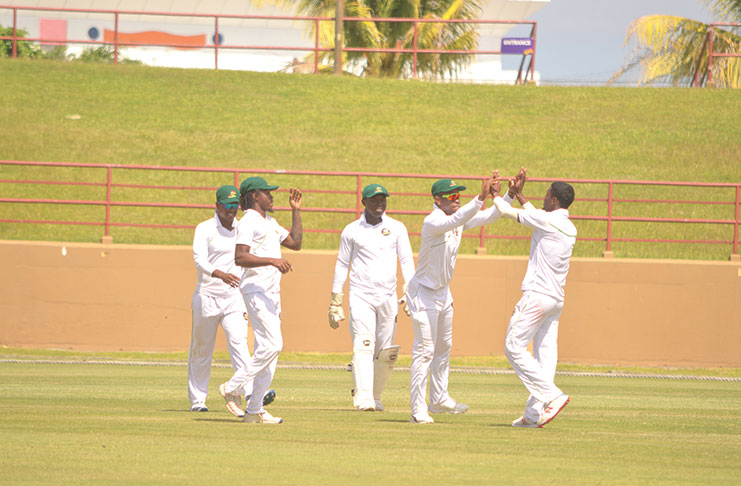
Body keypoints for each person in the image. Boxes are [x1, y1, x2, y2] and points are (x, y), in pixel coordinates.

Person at [406, 173, 514, 424]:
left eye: (459, 196)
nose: (456, 200)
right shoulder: (432, 221)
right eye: (452, 196)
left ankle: (440, 398)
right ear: (437, 200)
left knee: (444, 348)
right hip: (423, 293)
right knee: (424, 352)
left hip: (444, 293)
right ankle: (417, 409)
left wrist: (504, 195)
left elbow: (491, 215)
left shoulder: (458, 218)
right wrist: (480, 197)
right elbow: (458, 217)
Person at [490, 169, 576, 428]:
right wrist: (519, 195)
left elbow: (506, 213)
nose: (544, 197)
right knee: (545, 355)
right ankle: (533, 414)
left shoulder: (547, 221)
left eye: (547, 194)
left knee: (513, 346)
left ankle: (553, 396)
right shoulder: (567, 224)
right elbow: (536, 215)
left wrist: (496, 196)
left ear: (555, 200)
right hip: (555, 301)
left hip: (537, 296)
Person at [219, 176, 302, 424]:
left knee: (270, 356)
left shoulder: (271, 222)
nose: (271, 196)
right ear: (255, 196)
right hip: (255, 290)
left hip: (272, 293)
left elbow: (296, 243)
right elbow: (240, 257)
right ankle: (232, 386)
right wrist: (272, 260)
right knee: (273, 346)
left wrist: (295, 211)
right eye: (267, 192)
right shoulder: (248, 222)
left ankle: (254, 411)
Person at [328, 183, 416, 412]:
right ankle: (363, 398)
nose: (379, 203)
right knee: (364, 344)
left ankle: (375, 397)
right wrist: (336, 298)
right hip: (361, 295)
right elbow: (342, 263)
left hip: (388, 296)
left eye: (383, 199)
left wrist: (411, 290)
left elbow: (406, 260)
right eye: (374, 200)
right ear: (364, 202)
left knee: (385, 353)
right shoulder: (351, 230)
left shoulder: (397, 228)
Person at [188, 185, 254, 413]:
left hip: (234, 297)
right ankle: (198, 401)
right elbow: (199, 260)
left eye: (235, 206)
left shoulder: (242, 228)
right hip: (207, 295)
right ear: (217, 206)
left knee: (239, 344)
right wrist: (220, 274)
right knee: (201, 349)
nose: (231, 210)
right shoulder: (204, 228)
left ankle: (251, 393)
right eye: (227, 205)